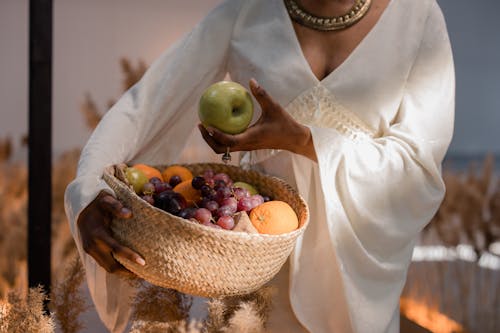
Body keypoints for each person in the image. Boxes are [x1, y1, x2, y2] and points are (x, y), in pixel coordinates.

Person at [65, 0, 455, 332]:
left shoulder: (418, 17)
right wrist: (87, 193)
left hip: (355, 279)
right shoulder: (247, 12)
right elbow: (143, 106)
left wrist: (304, 141)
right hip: (251, 269)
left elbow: (419, 169)